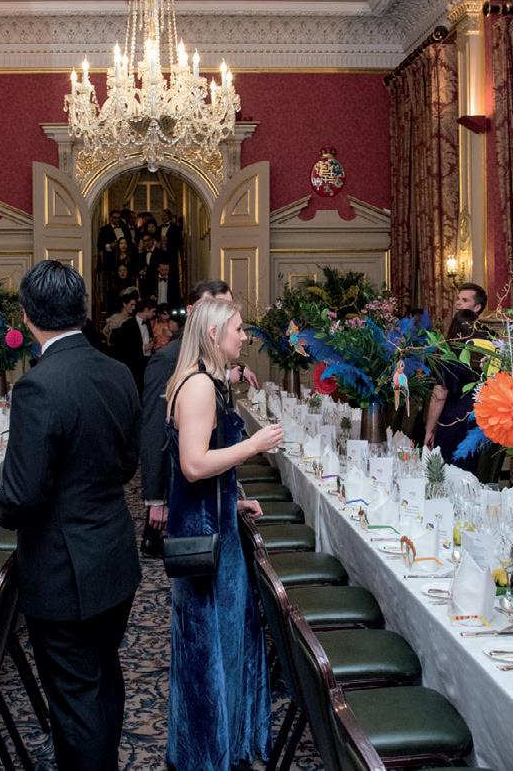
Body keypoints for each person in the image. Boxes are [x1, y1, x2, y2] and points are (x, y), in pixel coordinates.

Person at [0, 260, 141, 771]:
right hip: (114, 554)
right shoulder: (119, 372)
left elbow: (23, 497)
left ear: (28, 316)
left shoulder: (38, 386)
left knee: (75, 701)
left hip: (63, 570)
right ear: (83, 310)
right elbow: (128, 463)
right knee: (103, 678)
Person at [164, 296, 280, 770]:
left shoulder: (207, 381)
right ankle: (208, 754)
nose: (243, 337)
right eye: (238, 329)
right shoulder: (198, 387)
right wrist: (253, 446)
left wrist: (232, 501)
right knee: (209, 647)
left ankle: (220, 746)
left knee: (223, 641)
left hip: (215, 521)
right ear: (214, 334)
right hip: (205, 535)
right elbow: (193, 465)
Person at [140, 280, 260, 556]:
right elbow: (155, 429)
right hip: (194, 509)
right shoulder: (175, 365)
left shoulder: (209, 368)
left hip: (209, 501)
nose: (242, 335)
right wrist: (156, 498)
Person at [424, 309, 482, 470]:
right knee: (471, 469)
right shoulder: (483, 356)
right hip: (478, 419)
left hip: (452, 420)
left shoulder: (447, 356)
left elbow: (439, 396)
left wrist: (429, 430)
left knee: (449, 470)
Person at [112, 298, 155, 390]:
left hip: (147, 361)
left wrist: (151, 343)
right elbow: (125, 347)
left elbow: (147, 337)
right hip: (135, 364)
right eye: (152, 311)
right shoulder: (128, 324)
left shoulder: (147, 323)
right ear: (146, 310)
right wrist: (143, 348)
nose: (154, 314)